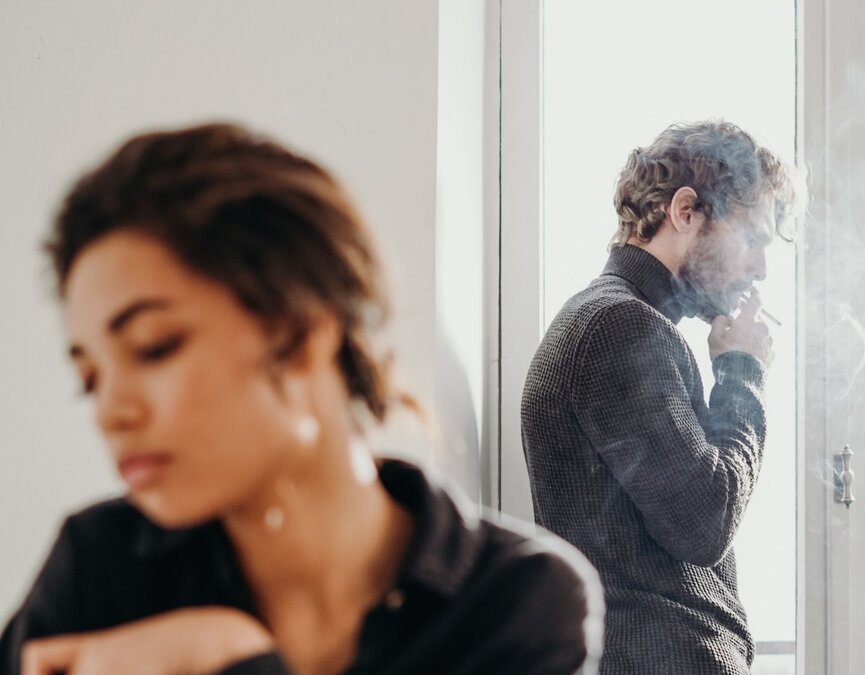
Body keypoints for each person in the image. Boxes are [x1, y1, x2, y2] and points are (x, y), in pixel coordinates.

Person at [1, 123, 602, 675]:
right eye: (90, 379)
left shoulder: (518, 599)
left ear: (303, 336)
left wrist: (229, 658)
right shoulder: (98, 563)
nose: (111, 413)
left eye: (154, 348)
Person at [520, 120, 801, 674]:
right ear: (685, 211)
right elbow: (704, 522)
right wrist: (741, 371)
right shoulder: (621, 326)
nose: (761, 270)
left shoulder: (619, 322)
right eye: (752, 240)